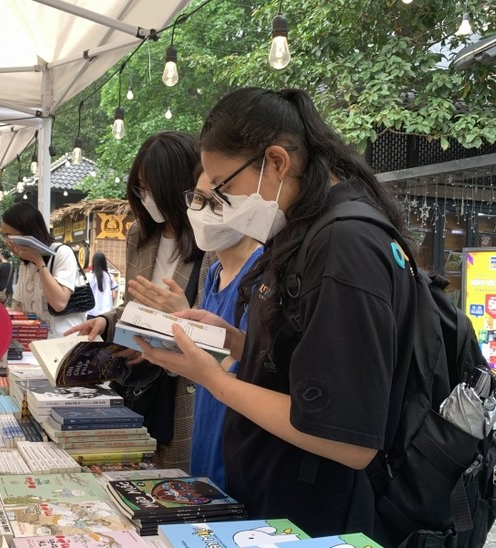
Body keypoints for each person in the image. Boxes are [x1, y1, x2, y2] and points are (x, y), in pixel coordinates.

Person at [133, 87, 415, 542]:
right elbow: (307, 367)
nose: (218, 206)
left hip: (312, 521)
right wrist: (234, 342)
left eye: (223, 187)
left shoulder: (345, 246)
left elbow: (348, 439)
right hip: (270, 507)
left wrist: (214, 378)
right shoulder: (305, 235)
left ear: (277, 163)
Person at [66, 131, 213, 473]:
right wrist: (107, 321)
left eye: (153, 188)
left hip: (186, 389)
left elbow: (216, 327)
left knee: (180, 480)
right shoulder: (140, 235)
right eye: (139, 189)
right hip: (140, 383)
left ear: (179, 186)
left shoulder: (211, 241)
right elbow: (136, 304)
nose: (146, 198)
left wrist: (173, 321)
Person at [184, 169, 263, 489]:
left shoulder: (262, 274)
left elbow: (252, 371)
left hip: (237, 451)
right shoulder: (213, 272)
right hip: (203, 438)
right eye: (198, 200)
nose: (203, 212)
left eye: (216, 203)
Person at [0, 203, 86, 338]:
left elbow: (59, 303)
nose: (6, 242)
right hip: (35, 345)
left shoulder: (61, 253)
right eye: (4, 236)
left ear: (27, 233)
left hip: (62, 343)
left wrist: (39, 262)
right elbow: (20, 307)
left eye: (8, 236)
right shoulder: (25, 263)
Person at [86, 252, 118, 317]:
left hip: (92, 312)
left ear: (94, 262)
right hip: (106, 314)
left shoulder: (88, 277)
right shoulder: (110, 277)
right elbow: (114, 295)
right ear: (104, 262)